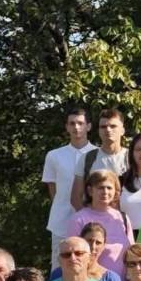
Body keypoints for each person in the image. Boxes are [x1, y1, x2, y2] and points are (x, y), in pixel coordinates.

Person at [43, 106, 92, 268]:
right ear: (66, 127)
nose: (76, 127)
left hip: (92, 221)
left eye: (80, 123)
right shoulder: (54, 155)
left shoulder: (98, 154)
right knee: (59, 267)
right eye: (72, 123)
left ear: (88, 126)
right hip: (61, 222)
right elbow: (53, 189)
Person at [64, 170, 133, 279]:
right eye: (100, 187)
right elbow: (71, 254)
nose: (105, 192)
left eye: (109, 188)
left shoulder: (122, 218)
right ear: (90, 190)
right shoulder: (78, 219)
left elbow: (131, 253)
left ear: (116, 191)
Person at [70, 107, 128, 210]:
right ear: (99, 131)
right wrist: (89, 219)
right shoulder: (87, 158)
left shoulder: (132, 158)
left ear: (122, 130)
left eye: (113, 126)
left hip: (126, 222)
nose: (108, 130)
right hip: (95, 223)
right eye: (103, 126)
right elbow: (75, 198)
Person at [48, 228, 127, 281]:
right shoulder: (58, 274)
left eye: (98, 243)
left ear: (104, 246)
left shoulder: (111, 278)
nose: (93, 246)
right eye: (89, 241)